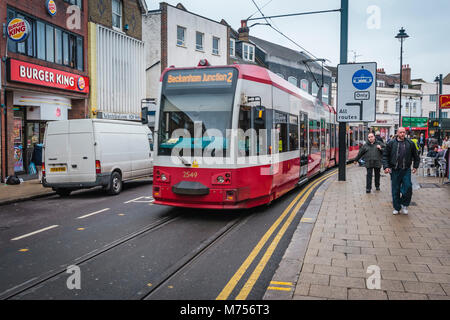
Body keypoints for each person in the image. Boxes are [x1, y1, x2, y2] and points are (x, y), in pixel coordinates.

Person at [382, 127, 420, 215]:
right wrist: (386, 167)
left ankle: (404, 204)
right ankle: (396, 207)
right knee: (395, 189)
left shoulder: (410, 143)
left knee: (408, 188)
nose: (402, 134)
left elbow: (416, 156)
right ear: (397, 133)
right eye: (401, 132)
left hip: (406, 170)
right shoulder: (391, 143)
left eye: (404, 132)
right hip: (394, 170)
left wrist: (415, 166)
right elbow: (385, 156)